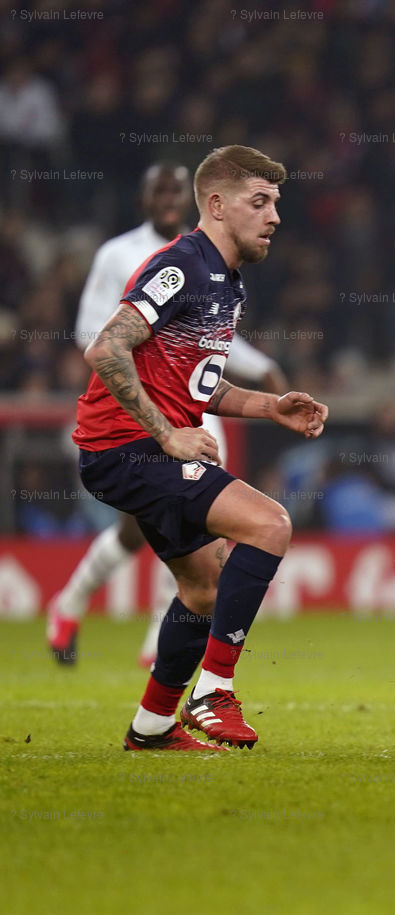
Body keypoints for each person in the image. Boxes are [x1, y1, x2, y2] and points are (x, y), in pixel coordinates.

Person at [75, 145, 328, 751]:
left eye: (275, 204)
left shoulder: (226, 281)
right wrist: (168, 434)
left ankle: (152, 727)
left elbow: (196, 385)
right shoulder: (182, 265)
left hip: (141, 449)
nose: (274, 217)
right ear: (216, 205)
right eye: (259, 202)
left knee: (203, 589)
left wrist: (270, 406)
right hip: (127, 448)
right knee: (269, 524)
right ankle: (213, 692)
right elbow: (105, 348)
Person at [47, 161, 288, 667]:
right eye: (160, 191)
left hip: (188, 400)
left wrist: (265, 381)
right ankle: (76, 604)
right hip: (134, 408)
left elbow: (210, 346)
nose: (169, 200)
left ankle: (157, 648)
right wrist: (155, 396)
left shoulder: (223, 268)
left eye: (176, 191)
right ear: (144, 199)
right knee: (155, 527)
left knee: (186, 533)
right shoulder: (131, 256)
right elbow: (97, 336)